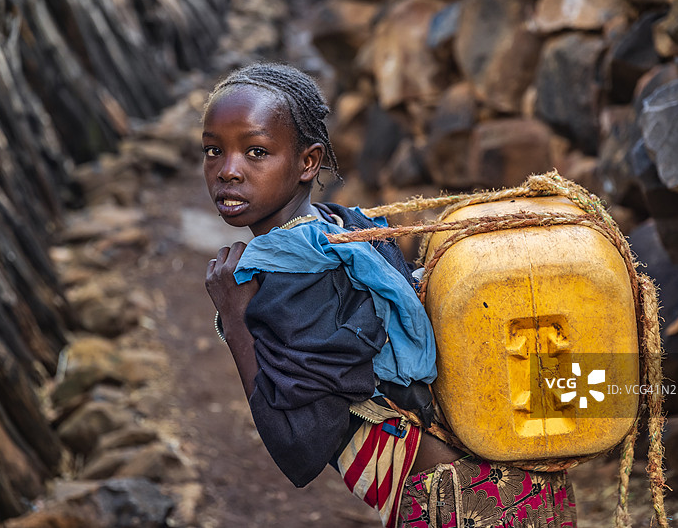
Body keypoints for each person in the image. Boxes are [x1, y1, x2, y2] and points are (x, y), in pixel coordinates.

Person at [202, 62, 577, 528]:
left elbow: (297, 450)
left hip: (458, 502)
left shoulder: (293, 276)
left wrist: (236, 321)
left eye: (256, 151)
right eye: (213, 151)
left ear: (308, 162)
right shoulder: (345, 228)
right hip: (515, 482)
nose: (228, 171)